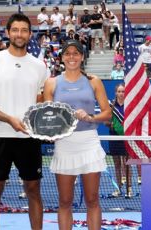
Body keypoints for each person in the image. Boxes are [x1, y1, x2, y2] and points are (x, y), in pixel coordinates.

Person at [0, 13, 47, 230]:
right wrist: (8, 119)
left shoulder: (39, 66)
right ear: (7, 33)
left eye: (24, 30)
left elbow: (40, 103)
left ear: (30, 34)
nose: (19, 34)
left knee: (34, 190)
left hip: (28, 138)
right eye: (15, 30)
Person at [43, 39, 111, 230]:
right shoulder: (51, 83)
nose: (71, 57)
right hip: (64, 144)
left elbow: (107, 113)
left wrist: (90, 117)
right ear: (62, 57)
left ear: (82, 57)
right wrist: (52, 131)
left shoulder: (93, 81)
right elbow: (47, 116)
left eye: (76, 53)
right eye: (67, 53)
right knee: (65, 201)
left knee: (92, 199)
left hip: (89, 142)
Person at [106, 83, 133, 198]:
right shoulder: (111, 106)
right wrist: (110, 124)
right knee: (117, 164)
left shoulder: (130, 105)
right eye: (119, 91)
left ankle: (129, 189)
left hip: (126, 137)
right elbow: (106, 122)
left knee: (127, 164)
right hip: (114, 137)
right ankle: (118, 189)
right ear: (116, 93)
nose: (121, 94)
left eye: (123, 91)